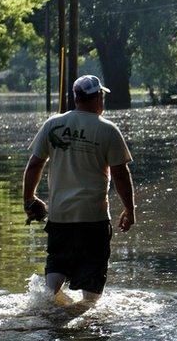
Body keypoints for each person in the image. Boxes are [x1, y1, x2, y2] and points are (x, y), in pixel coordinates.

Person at [22, 74, 135, 306]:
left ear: (77, 98)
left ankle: (40, 307)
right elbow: (121, 175)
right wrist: (129, 209)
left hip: (59, 217)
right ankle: (83, 329)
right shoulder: (108, 130)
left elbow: (34, 164)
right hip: (93, 219)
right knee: (91, 296)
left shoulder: (52, 124)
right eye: (102, 96)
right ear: (98, 97)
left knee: (55, 270)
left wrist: (29, 199)